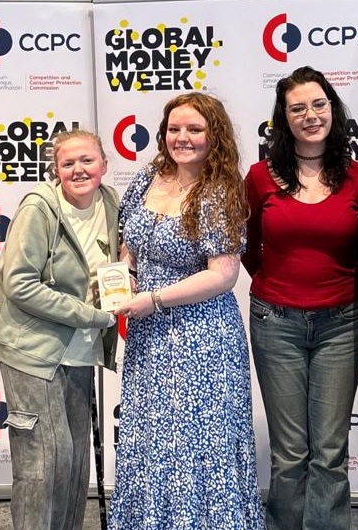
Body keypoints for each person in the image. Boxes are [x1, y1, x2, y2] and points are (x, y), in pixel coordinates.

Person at [109, 92, 262, 529]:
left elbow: (224, 274)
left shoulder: (220, 192)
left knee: (198, 443)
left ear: (214, 136)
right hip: (147, 334)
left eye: (195, 129)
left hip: (202, 336)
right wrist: (126, 270)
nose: (183, 138)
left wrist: (154, 299)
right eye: (175, 128)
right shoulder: (147, 177)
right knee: (152, 439)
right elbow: (129, 243)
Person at [241, 66, 358, 530]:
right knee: (291, 451)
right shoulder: (260, 177)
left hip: (342, 323)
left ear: (332, 109)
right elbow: (248, 247)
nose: (310, 115)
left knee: (330, 450)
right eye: (297, 107)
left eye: (318, 104)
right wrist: (282, 286)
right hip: (275, 321)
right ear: (284, 118)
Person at [0, 129, 119, 530]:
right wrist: (89, 315)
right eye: (68, 163)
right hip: (34, 352)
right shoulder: (39, 209)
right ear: (56, 170)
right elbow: (19, 284)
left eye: (87, 161)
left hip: (82, 352)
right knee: (44, 464)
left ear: (104, 164)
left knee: (73, 465)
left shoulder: (112, 203)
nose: (79, 170)